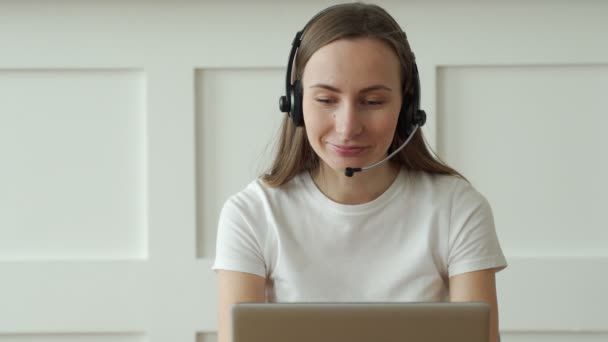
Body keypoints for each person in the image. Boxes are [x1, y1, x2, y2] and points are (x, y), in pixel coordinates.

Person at [212, 3, 507, 342]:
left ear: (407, 107)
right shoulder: (251, 214)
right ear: (294, 104)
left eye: (373, 102)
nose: (348, 127)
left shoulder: (458, 208)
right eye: (326, 100)